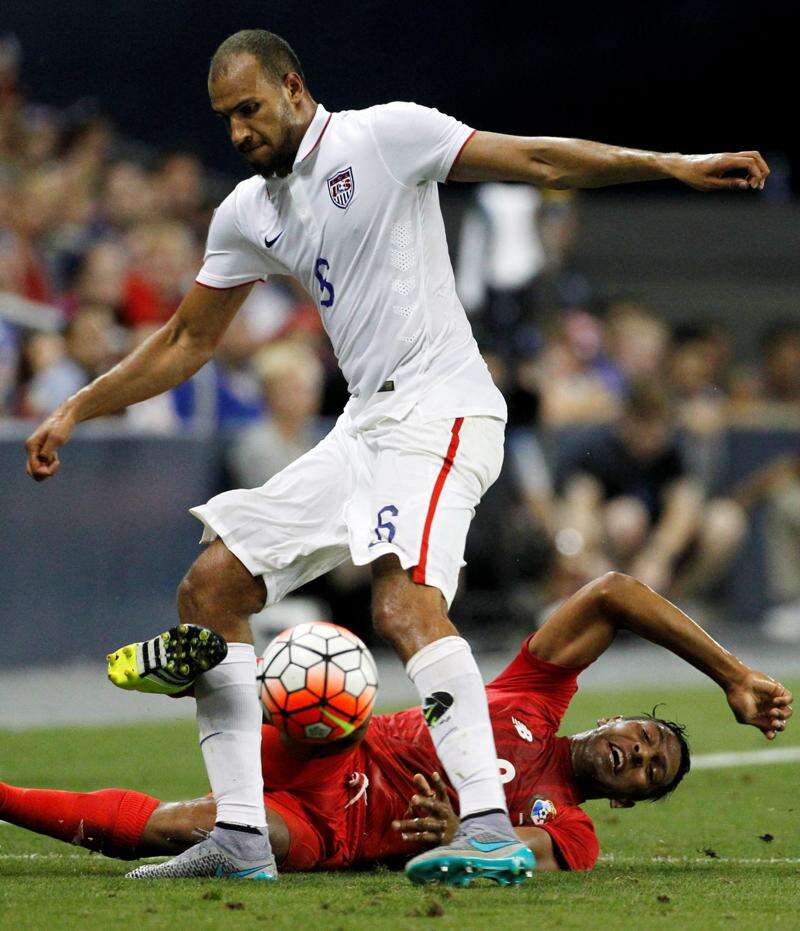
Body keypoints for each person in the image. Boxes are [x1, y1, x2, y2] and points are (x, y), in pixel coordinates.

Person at [24, 28, 770, 885]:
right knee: (212, 586)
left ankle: (485, 826)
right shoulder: (249, 212)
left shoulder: (385, 136)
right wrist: (78, 405)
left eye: (250, 108)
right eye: (225, 117)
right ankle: (239, 833)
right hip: (364, 424)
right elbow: (187, 339)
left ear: (294, 89)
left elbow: (537, 159)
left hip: (442, 404)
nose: (238, 131)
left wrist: (670, 164)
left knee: (404, 603)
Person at [0, 573, 792, 877]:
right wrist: (730, 673)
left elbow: (526, 854)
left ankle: (216, 679)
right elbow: (614, 592)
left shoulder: (575, 829)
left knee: (191, 829)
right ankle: (217, 673)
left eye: (650, 773)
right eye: (647, 738)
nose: (639, 756)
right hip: (331, 739)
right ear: (612, 717)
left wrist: (463, 834)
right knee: (332, 681)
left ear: (626, 800)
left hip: (333, 827)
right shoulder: (535, 695)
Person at [559, 382, 745, 599]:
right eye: (642, 421)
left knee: (726, 522)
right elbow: (579, 510)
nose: (649, 432)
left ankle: (677, 602)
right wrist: (585, 557)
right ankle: (615, 598)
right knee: (626, 517)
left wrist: (657, 558)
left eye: (657, 423)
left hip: (661, 556)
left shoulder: (676, 452)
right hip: (610, 549)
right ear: (625, 420)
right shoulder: (599, 450)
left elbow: (685, 506)